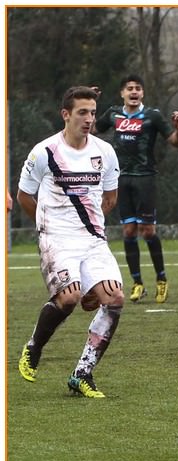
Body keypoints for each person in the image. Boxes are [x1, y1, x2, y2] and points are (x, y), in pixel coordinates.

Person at [16, 86, 124, 398]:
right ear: (66, 114)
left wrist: (91, 225)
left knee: (114, 299)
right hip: (57, 238)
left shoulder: (104, 152)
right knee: (69, 298)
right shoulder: (44, 152)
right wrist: (47, 227)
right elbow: (24, 196)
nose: (89, 119)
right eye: (82, 112)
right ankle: (34, 347)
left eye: (92, 112)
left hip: (91, 240)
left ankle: (82, 374)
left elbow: (111, 197)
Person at [94, 74, 178, 304]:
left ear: (142, 93)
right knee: (128, 231)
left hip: (145, 178)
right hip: (121, 179)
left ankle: (161, 280)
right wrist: (92, 105)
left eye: (137, 88)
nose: (133, 92)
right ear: (122, 93)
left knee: (148, 231)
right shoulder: (114, 114)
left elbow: (174, 142)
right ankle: (137, 283)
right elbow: (92, 129)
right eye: (129, 88)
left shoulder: (152, 115)